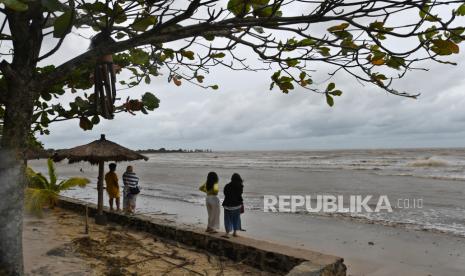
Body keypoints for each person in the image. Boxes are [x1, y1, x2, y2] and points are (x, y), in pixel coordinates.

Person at [222, 173, 244, 238]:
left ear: (232, 178)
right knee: (236, 219)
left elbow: (225, 194)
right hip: (237, 206)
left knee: (227, 219)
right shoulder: (240, 186)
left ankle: (227, 233)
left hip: (227, 205)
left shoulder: (227, 186)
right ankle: (235, 232)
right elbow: (239, 195)